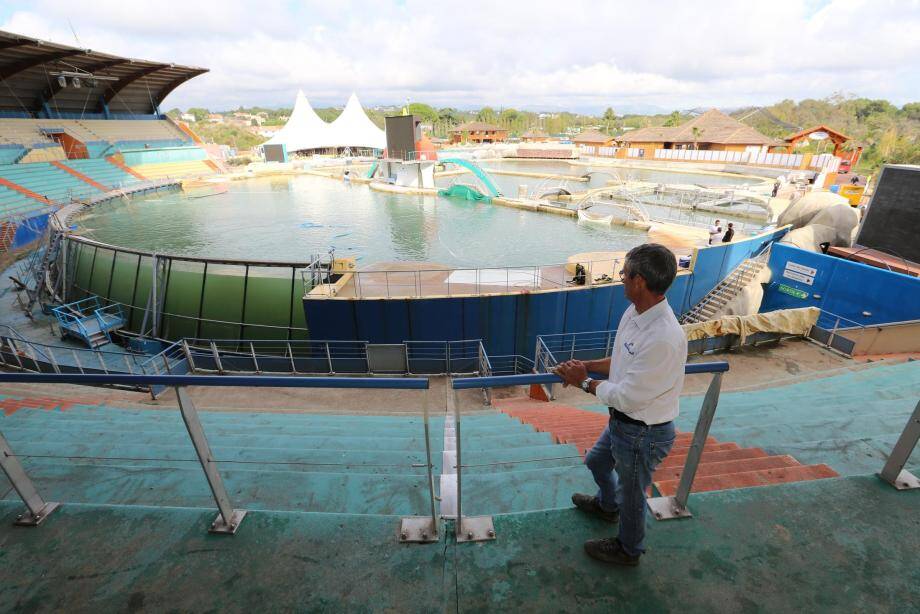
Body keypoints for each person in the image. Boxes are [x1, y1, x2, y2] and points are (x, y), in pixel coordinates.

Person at [554, 243, 687, 566]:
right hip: (623, 422)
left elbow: (627, 395)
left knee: (633, 495)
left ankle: (629, 549)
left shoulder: (663, 338)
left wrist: (581, 382)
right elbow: (623, 359)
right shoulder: (636, 312)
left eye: (624, 274)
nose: (621, 278)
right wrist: (587, 365)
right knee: (597, 462)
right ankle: (607, 506)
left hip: (643, 432)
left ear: (639, 281)